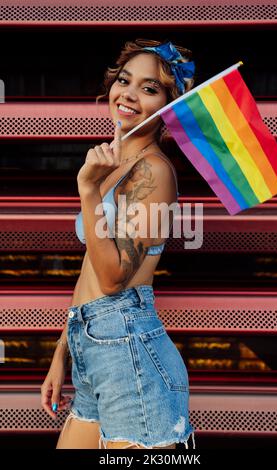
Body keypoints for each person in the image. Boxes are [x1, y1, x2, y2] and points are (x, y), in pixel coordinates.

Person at [41, 38, 196, 450]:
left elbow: (112, 281)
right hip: (92, 349)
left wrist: (88, 191)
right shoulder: (114, 165)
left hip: (130, 353)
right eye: (124, 80)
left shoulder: (155, 172)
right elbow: (89, 268)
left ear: (168, 105)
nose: (128, 93)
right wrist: (62, 352)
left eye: (149, 88)